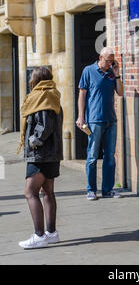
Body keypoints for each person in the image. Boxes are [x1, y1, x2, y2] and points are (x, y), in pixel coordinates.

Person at [17, 66, 63, 249]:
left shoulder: (42, 96)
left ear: (35, 80)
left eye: (31, 78)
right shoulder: (53, 95)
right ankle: (51, 234)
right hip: (52, 154)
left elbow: (45, 126)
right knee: (48, 192)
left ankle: (39, 235)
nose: (30, 81)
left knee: (30, 192)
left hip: (41, 155)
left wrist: (32, 141)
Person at [76, 47, 124, 200]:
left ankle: (108, 190)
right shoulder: (88, 71)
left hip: (111, 120)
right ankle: (91, 190)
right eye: (108, 60)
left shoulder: (112, 73)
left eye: (112, 60)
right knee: (92, 157)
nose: (110, 63)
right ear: (100, 57)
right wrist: (80, 117)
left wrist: (117, 75)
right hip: (94, 120)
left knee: (110, 156)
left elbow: (121, 93)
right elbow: (82, 95)